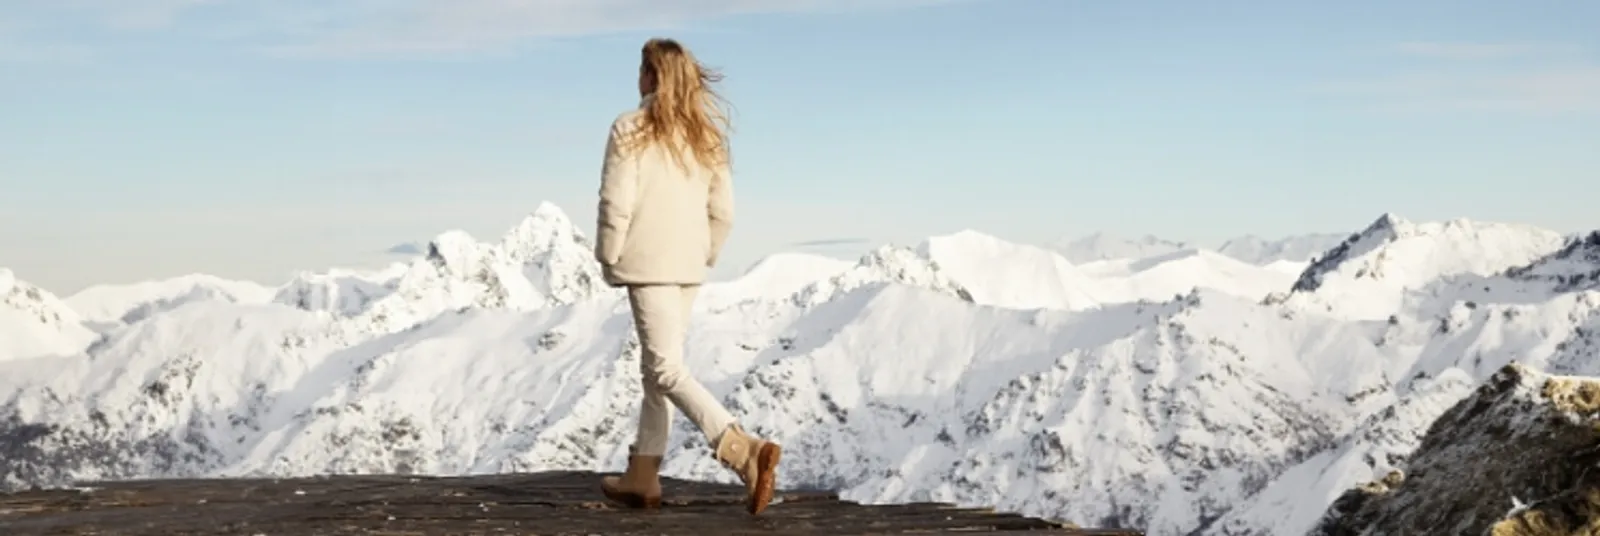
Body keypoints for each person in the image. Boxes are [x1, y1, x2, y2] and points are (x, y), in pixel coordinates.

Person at [593, 37, 783, 516]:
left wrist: (608, 256)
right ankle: (643, 476)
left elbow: (616, 201)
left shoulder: (630, 128)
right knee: (657, 369)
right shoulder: (706, 136)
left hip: (647, 263)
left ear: (649, 77)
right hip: (687, 266)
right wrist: (706, 252)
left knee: (665, 369)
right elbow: (724, 211)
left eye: (640, 70)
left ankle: (743, 451)